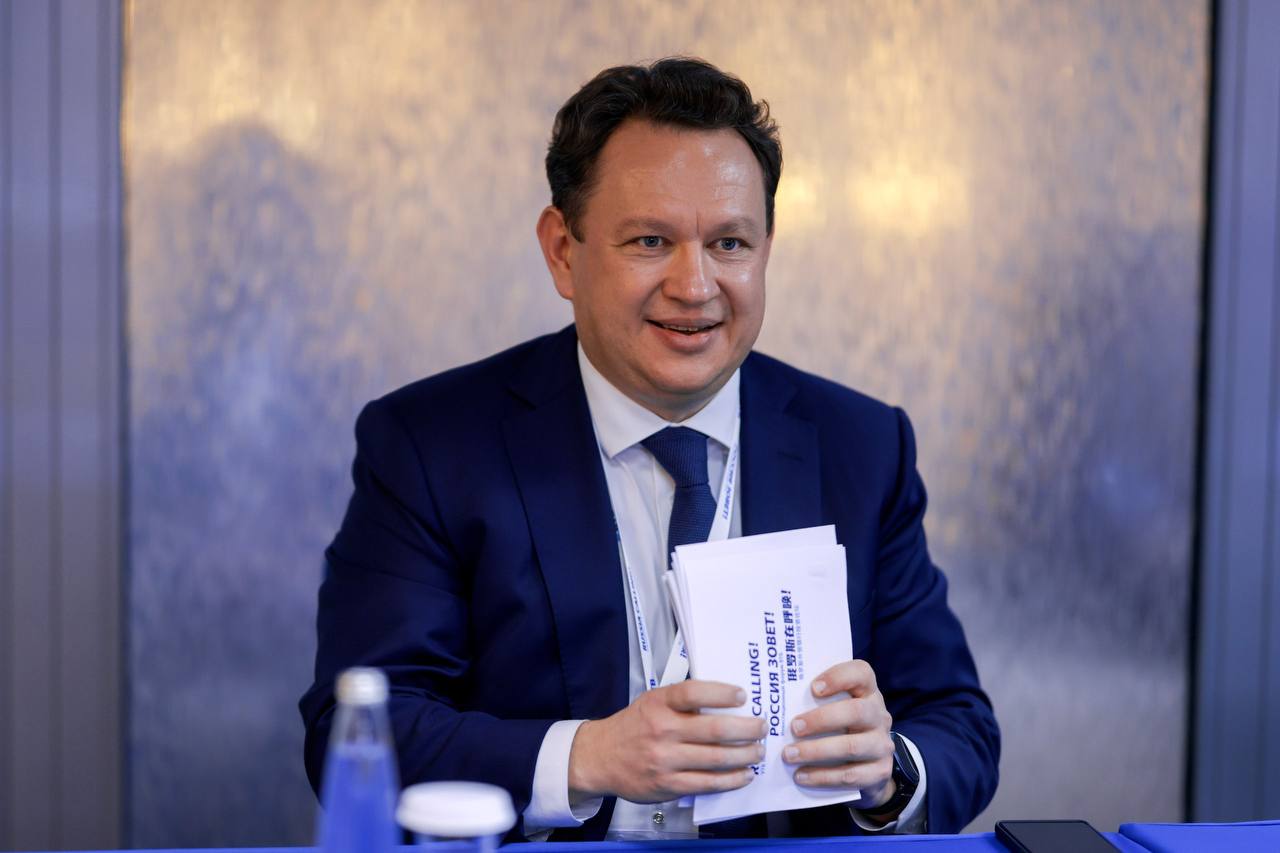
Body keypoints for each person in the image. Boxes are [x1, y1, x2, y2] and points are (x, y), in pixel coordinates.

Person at [300, 57, 998, 841]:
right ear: (563, 251)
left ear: (767, 249)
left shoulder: (861, 447)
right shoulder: (432, 446)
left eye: (729, 242)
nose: (694, 286)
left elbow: (958, 724)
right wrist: (588, 755)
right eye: (650, 240)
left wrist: (888, 770)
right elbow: (358, 732)